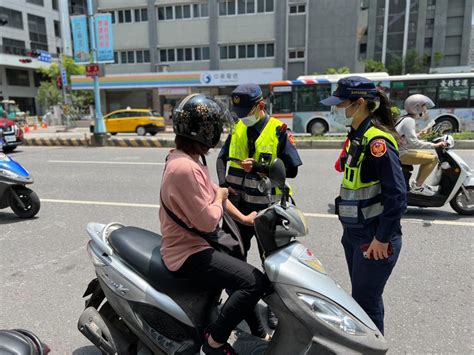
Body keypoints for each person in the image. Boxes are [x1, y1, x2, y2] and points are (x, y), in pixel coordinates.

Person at [159, 93, 269, 355]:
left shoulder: (187, 160)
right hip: (187, 252)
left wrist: (244, 219)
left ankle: (259, 333)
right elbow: (209, 220)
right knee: (254, 282)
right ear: (204, 131)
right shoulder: (184, 168)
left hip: (195, 242)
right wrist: (220, 197)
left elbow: (213, 192)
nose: (218, 131)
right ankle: (215, 340)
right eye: (214, 126)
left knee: (243, 271)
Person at [321, 76, 406, 335]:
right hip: (356, 234)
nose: (336, 110)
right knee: (361, 299)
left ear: (359, 103)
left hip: (374, 238)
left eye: (340, 104)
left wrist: (382, 238)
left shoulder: (376, 142)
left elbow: (398, 195)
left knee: (365, 302)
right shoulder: (357, 136)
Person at [216, 84, 302, 331]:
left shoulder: (279, 131)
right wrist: (224, 184)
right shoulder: (239, 128)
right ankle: (237, 306)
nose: (242, 116)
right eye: (239, 111)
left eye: (246, 110)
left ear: (261, 105)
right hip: (238, 209)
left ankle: (278, 309)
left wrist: (260, 168)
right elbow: (222, 158)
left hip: (267, 210)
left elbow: (292, 169)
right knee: (232, 260)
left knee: (274, 264)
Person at [394, 94, 448, 196]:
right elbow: (414, 144)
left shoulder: (404, 118)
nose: (425, 109)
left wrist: (421, 134)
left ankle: (418, 183)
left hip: (399, 150)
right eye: (424, 106)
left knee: (429, 154)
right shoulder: (409, 121)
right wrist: (435, 145)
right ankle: (418, 187)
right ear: (417, 107)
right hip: (400, 154)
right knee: (433, 159)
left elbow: (406, 139)